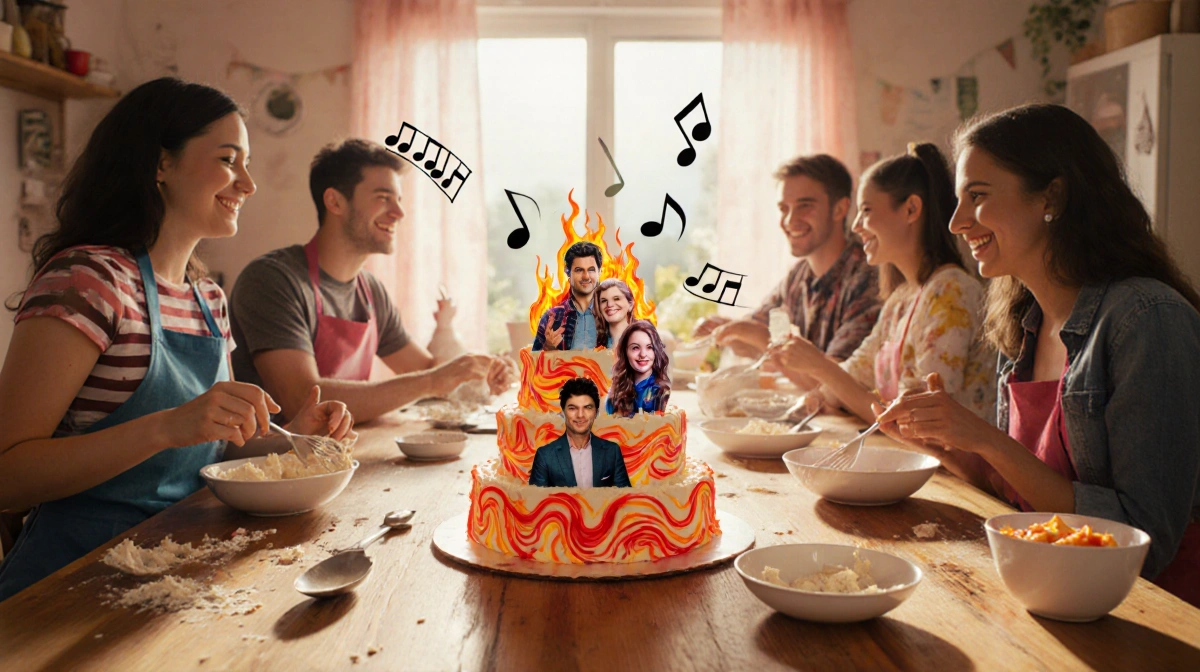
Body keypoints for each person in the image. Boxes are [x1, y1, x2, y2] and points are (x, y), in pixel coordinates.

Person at [0, 78, 354, 602]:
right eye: (229, 160)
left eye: (247, 163)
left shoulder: (207, 298)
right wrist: (165, 426)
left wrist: (293, 436)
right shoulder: (88, 280)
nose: (248, 184)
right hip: (68, 582)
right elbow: (8, 473)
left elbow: (218, 443)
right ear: (161, 164)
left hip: (177, 566)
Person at [873, 104, 1200, 606]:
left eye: (978, 196)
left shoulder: (1147, 318)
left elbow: (1144, 541)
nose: (957, 222)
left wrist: (987, 439)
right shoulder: (1023, 321)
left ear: (1052, 196)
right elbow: (1023, 494)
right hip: (1056, 593)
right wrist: (947, 444)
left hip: (1150, 612)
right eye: (958, 200)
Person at [230, 139, 511, 423]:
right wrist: (432, 381)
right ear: (335, 202)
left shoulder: (370, 292)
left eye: (399, 200)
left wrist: (482, 375)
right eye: (383, 197)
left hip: (344, 449)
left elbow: (430, 372)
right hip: (279, 452)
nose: (399, 212)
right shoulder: (272, 281)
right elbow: (302, 401)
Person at [765, 144, 995, 423]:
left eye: (866, 210)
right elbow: (852, 376)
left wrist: (819, 367)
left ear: (911, 209)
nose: (856, 226)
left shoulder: (951, 292)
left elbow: (918, 422)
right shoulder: (900, 299)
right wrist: (815, 397)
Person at [695, 154, 882, 382]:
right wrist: (725, 329)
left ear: (839, 209)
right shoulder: (798, 276)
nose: (790, 220)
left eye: (804, 206)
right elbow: (755, 331)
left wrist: (762, 338)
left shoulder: (869, 279)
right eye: (784, 208)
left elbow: (837, 385)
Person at [528, 378, 631, 488]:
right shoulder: (545, 456)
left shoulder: (612, 452)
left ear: (596, 412)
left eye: (587, 408)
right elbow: (537, 498)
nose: (580, 415)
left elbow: (625, 496)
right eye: (572, 408)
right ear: (563, 412)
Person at [532, 242, 602, 351]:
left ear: (600, 272)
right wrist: (549, 348)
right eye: (579, 270)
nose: (586, 276)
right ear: (567, 272)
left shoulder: (611, 312)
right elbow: (534, 360)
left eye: (591, 270)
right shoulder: (553, 317)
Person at [606, 320, 670, 417]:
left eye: (649, 347)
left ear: (656, 351)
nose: (643, 354)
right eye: (635, 348)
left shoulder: (660, 391)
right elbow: (608, 416)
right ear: (625, 352)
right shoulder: (618, 386)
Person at [594, 278, 634, 348]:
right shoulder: (594, 342)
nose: (609, 304)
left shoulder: (641, 337)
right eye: (604, 301)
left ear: (630, 304)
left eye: (616, 298)